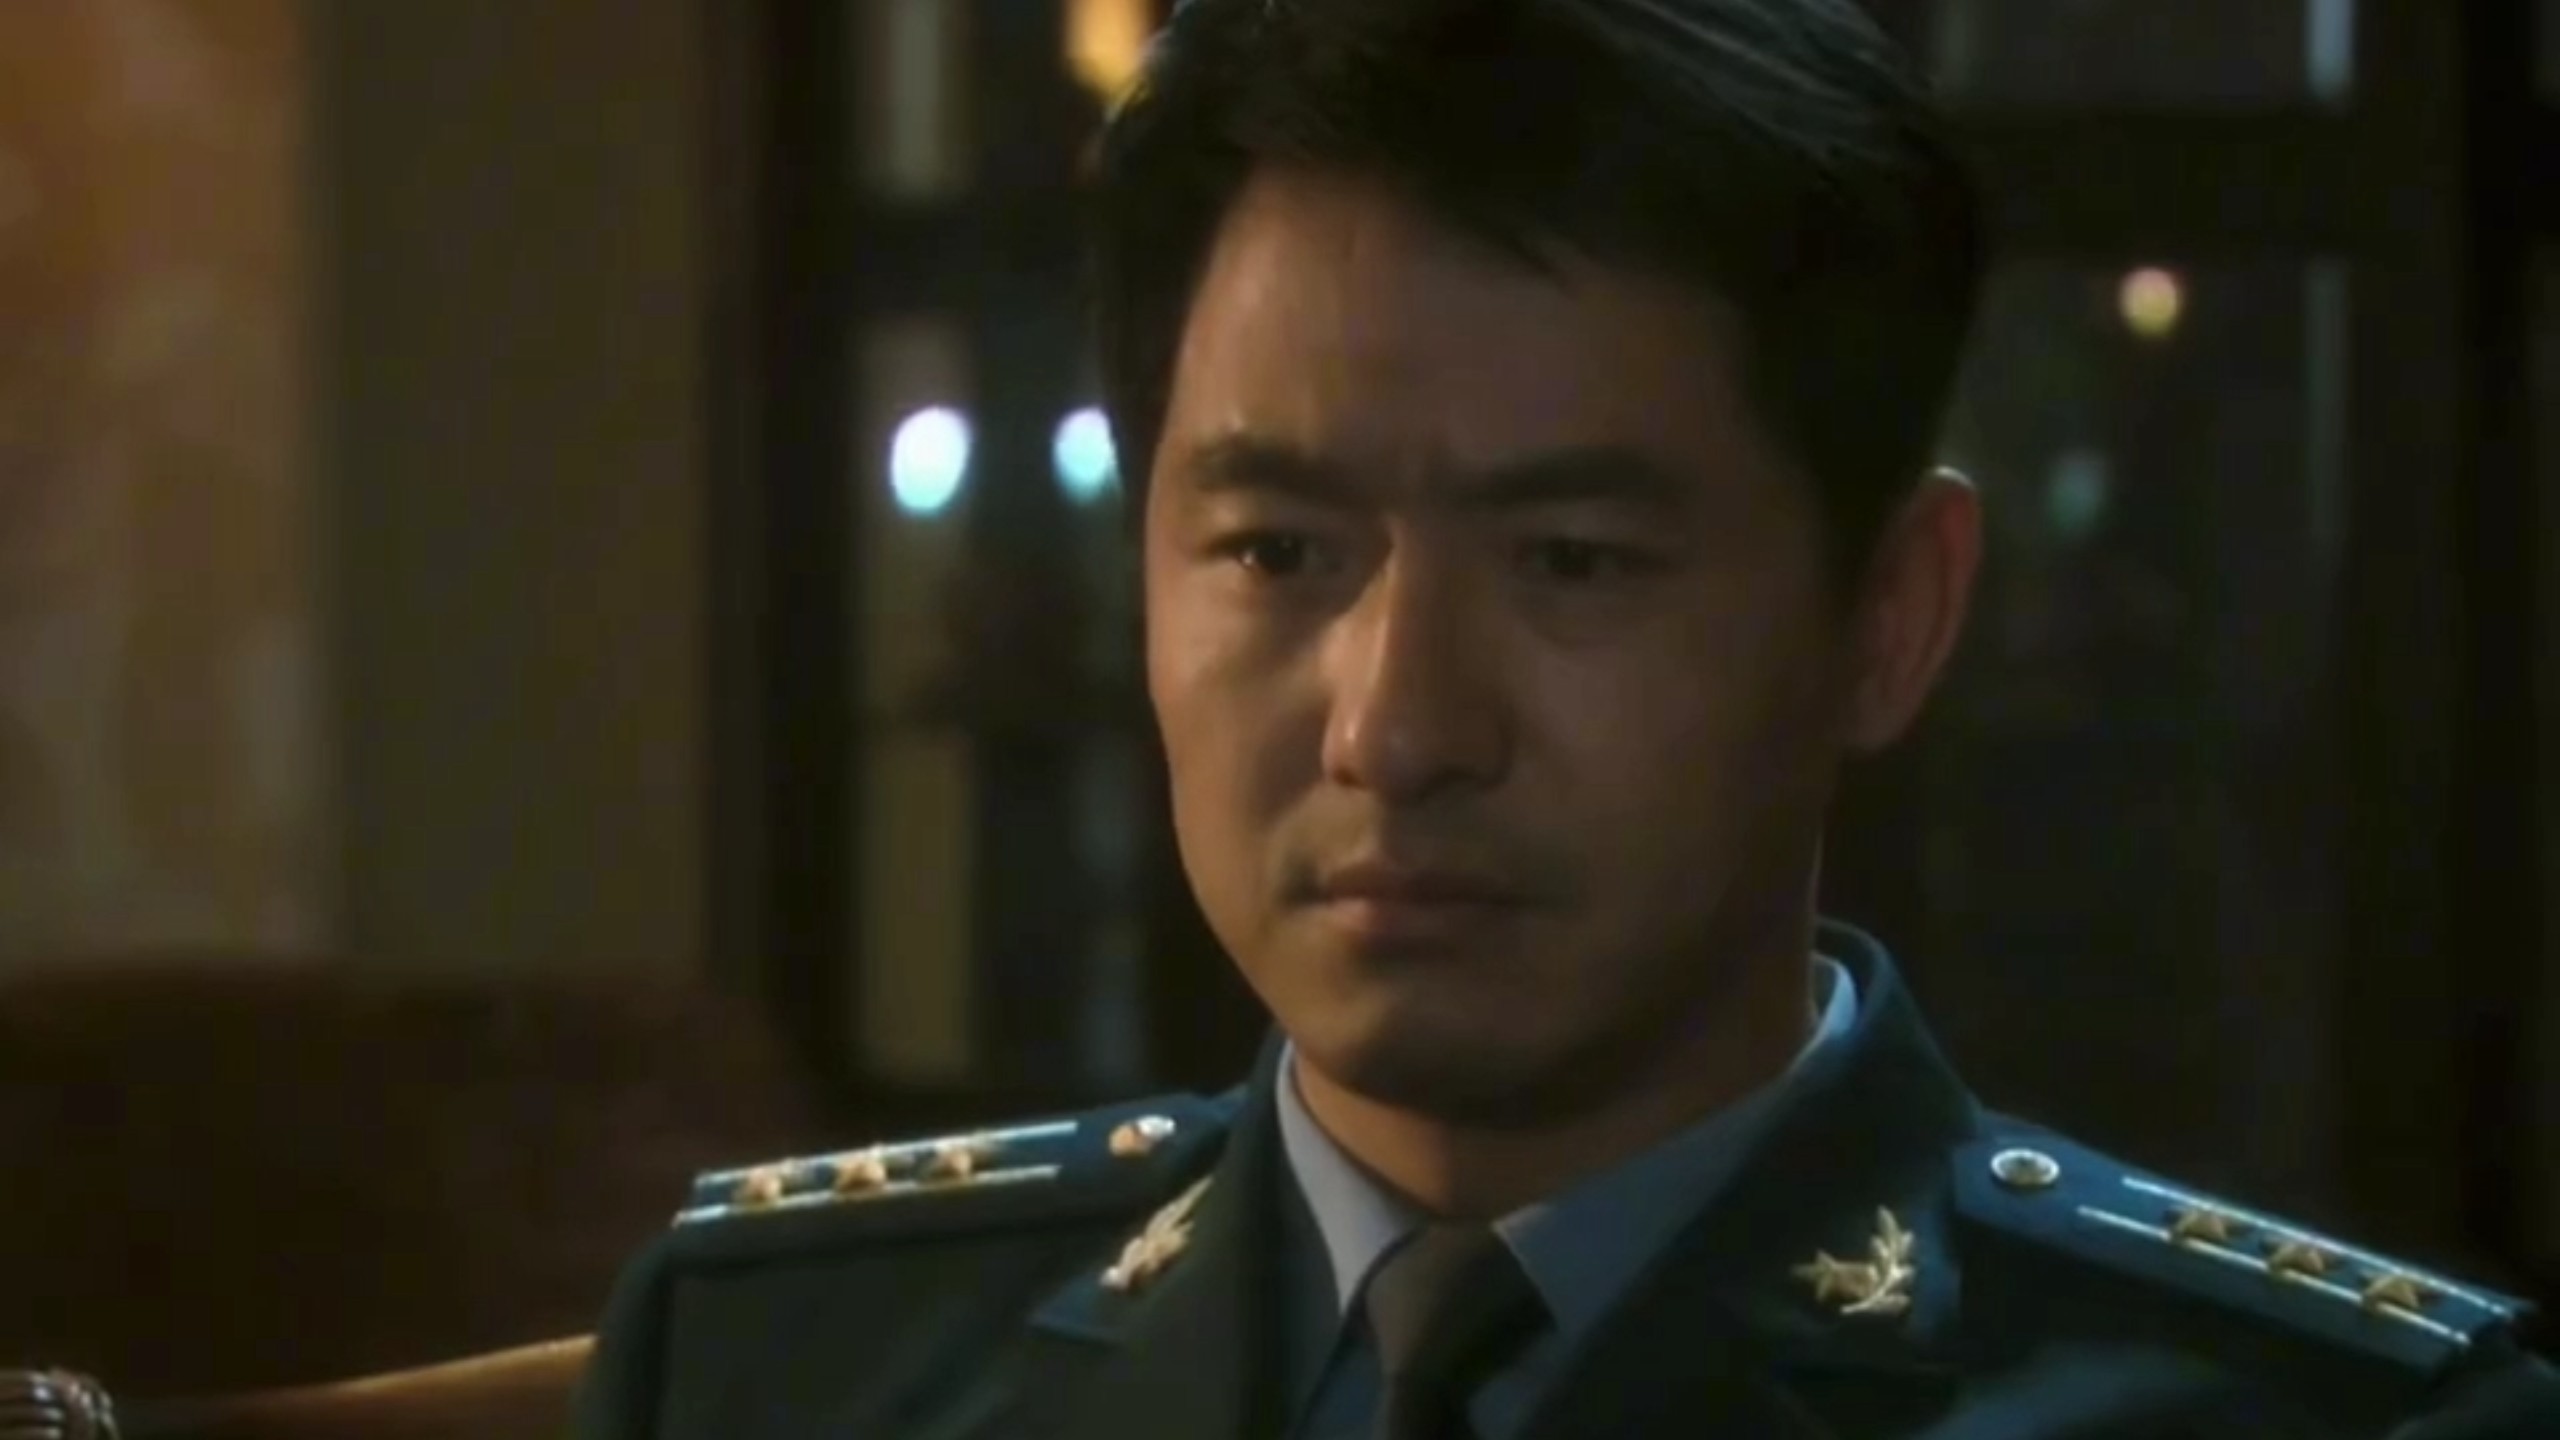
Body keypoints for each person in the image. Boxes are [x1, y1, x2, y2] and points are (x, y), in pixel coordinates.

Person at [575, 1, 2560, 1436]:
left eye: (1576, 563)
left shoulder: (2301, 1419)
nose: (1396, 729)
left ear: (1888, 616)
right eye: (1276, 552)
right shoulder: (783, 1364)